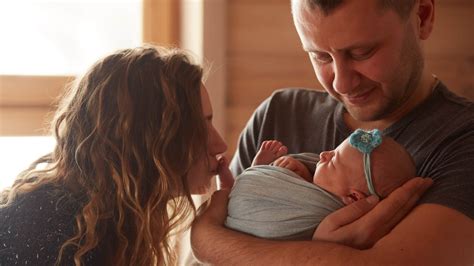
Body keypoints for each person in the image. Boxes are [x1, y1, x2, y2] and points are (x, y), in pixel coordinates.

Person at [191, 0, 474, 264]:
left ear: (422, 17)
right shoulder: (279, 113)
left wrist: (206, 239)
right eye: (320, 57)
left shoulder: (462, 139)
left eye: (362, 52)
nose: (341, 82)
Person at [0, 45, 228, 265]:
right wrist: (215, 239)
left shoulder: (101, 225)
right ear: (148, 139)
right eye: (200, 128)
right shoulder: (58, 238)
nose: (220, 145)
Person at [226, 129, 416, 240]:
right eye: (333, 150)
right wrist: (298, 172)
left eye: (333, 160)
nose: (324, 153)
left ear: (353, 198)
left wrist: (279, 174)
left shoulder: (332, 214)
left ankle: (258, 170)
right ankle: (260, 172)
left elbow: (294, 207)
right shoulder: (328, 185)